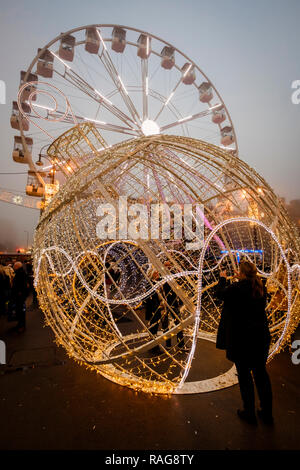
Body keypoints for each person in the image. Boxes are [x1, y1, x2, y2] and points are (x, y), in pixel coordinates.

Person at [216, 260, 273, 425]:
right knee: (261, 375)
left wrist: (223, 278)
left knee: (245, 377)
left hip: (241, 340)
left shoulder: (236, 289)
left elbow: (219, 294)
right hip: (260, 338)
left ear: (240, 273)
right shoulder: (260, 287)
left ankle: (249, 412)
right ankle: (267, 413)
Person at [11, 261, 28, 333]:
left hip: (20, 296)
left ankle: (22, 325)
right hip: (19, 295)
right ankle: (20, 324)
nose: (13, 267)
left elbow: (22, 285)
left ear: (17, 266)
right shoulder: (20, 272)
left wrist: (19, 293)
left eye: (14, 266)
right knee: (19, 310)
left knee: (20, 310)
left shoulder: (20, 273)